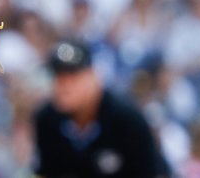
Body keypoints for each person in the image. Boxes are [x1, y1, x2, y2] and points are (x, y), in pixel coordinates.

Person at [33, 38, 170, 178]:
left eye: (72, 76)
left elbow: (154, 172)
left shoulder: (127, 119)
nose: (62, 85)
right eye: (57, 76)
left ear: (93, 77)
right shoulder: (47, 120)